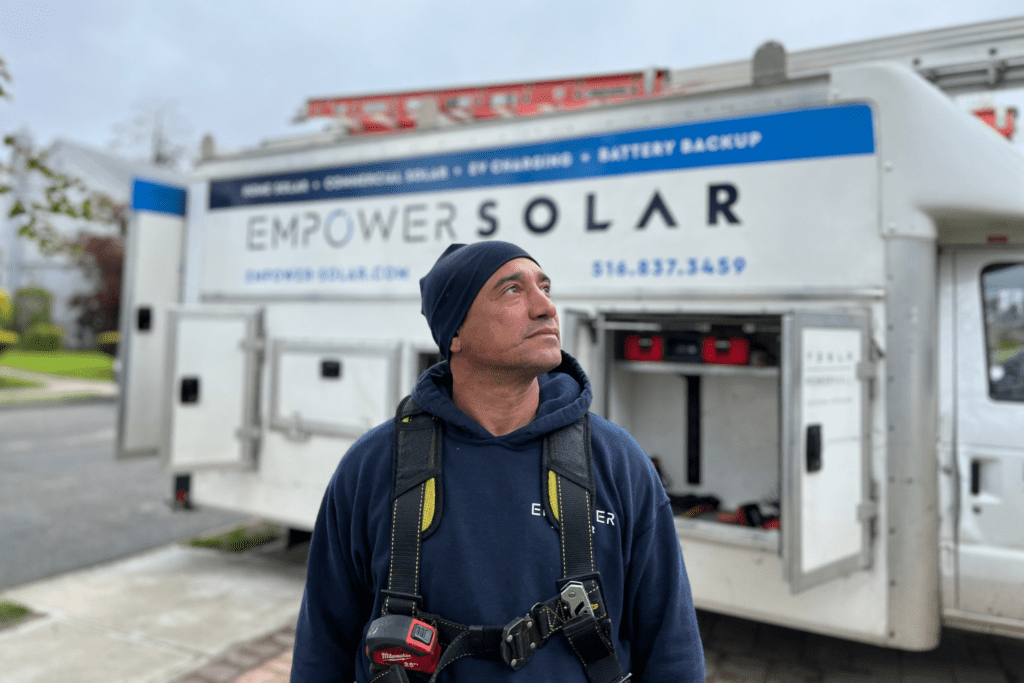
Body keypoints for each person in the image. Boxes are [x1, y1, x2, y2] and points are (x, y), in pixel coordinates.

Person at [291, 241, 705, 683]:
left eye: (544, 287)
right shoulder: (374, 467)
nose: (546, 307)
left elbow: (672, 646)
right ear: (455, 334)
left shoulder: (617, 461)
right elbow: (322, 646)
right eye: (512, 290)